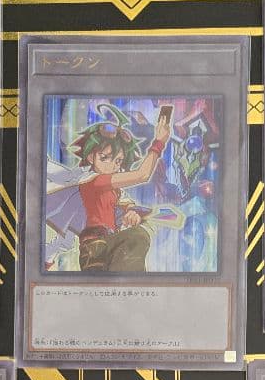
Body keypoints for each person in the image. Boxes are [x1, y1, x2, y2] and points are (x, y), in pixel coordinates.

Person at [45, 104, 171, 271]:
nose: (112, 166)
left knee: (136, 237)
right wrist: (159, 142)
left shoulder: (115, 191)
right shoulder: (94, 181)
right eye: (104, 158)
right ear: (91, 157)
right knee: (138, 236)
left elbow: (124, 205)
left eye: (118, 161)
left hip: (106, 247)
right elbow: (143, 175)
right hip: (95, 248)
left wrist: (132, 212)